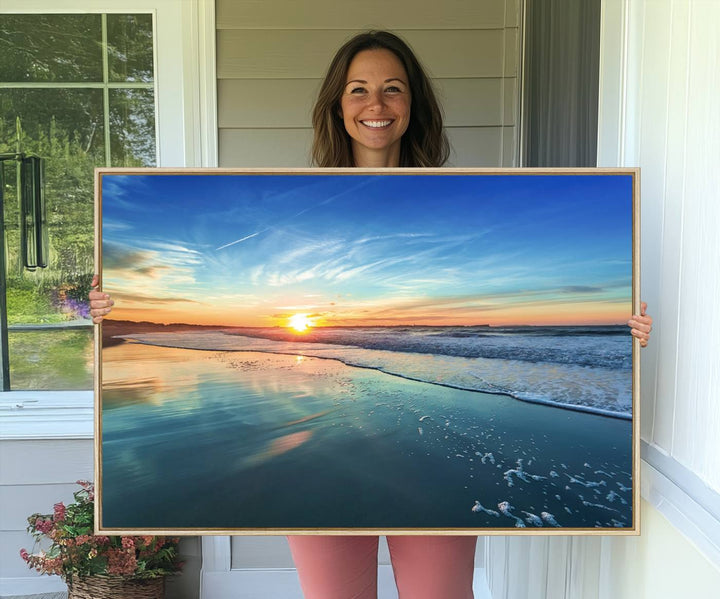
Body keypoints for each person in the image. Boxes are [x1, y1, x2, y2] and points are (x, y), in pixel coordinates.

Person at [89, 30, 653, 599]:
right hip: (321, 473)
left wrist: (624, 335)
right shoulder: (299, 200)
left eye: (393, 89)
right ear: (338, 104)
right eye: (358, 90)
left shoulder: (456, 197)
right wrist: (112, 308)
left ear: (413, 104)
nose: (376, 105)